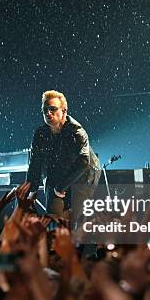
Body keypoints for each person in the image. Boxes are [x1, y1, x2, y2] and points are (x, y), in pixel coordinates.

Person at [26, 90, 101, 219]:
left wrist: (60, 188)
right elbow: (35, 163)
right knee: (53, 213)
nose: (48, 113)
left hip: (83, 175)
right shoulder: (40, 134)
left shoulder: (77, 132)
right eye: (45, 110)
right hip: (55, 171)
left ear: (64, 111)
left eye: (53, 109)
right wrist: (31, 190)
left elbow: (83, 162)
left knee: (72, 216)